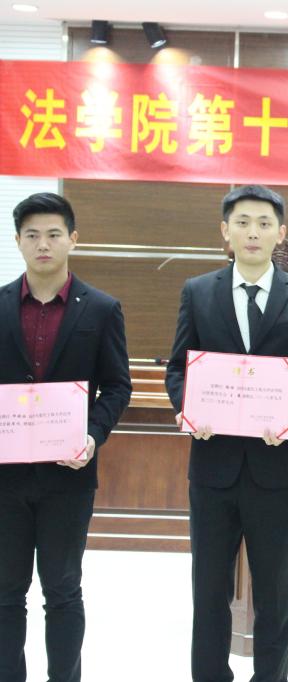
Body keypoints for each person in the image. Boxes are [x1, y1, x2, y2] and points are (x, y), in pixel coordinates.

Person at [164, 185, 288, 682]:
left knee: (275, 596)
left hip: (279, 471)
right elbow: (177, 371)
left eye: (264, 223)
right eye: (242, 222)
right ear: (225, 231)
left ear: (281, 233)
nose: (253, 232)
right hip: (213, 468)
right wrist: (189, 408)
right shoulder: (198, 292)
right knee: (208, 593)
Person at [0, 192, 132, 682]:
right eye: (32, 235)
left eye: (54, 234)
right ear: (18, 241)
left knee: (62, 592)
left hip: (68, 476)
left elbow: (117, 386)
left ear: (73, 239)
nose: (43, 244)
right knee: (5, 594)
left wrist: (94, 435)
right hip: (5, 477)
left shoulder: (101, 309)